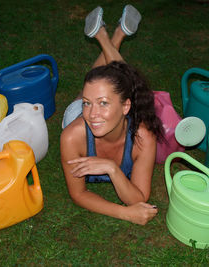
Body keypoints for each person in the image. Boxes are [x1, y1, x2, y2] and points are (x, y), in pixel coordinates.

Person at [60, 5, 164, 225]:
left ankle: (105, 36)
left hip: (123, 116)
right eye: (88, 104)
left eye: (102, 104)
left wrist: (111, 168)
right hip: (73, 117)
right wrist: (124, 213)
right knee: (100, 86)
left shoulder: (143, 136)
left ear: (127, 108)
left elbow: (139, 198)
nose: (92, 114)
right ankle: (111, 36)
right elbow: (78, 194)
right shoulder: (72, 136)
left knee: (114, 84)